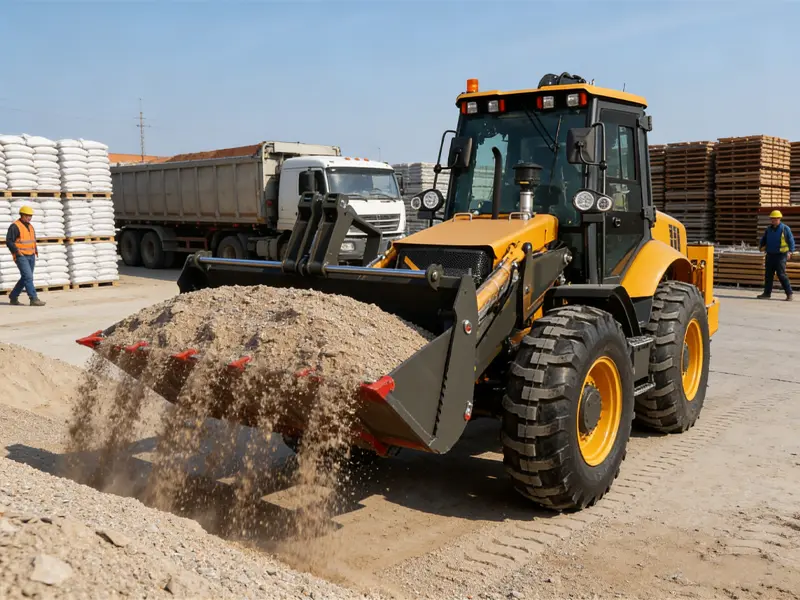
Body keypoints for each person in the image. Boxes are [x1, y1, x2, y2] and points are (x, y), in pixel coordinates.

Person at [5, 205, 46, 307]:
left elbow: (32, 240)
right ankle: (33, 298)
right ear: (22, 215)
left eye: (30, 216)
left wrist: (35, 251)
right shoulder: (15, 226)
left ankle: (13, 297)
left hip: (31, 255)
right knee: (28, 277)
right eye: (27, 215)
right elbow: (9, 241)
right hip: (21, 256)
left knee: (26, 278)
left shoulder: (30, 226)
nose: (29, 217)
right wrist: (17, 251)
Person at [758, 210, 794, 301]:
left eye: (775, 219)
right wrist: (761, 246)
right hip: (770, 255)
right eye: (772, 219)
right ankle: (767, 293)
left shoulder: (785, 229)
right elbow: (764, 239)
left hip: (781, 255)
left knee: (781, 274)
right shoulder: (768, 229)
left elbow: (791, 241)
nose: (773, 220)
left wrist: (790, 252)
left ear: (779, 219)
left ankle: (789, 294)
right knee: (768, 275)